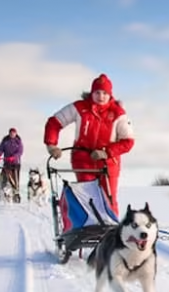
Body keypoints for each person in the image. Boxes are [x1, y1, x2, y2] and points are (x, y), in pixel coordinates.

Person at [43, 73, 134, 216]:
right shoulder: (79, 108)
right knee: (88, 198)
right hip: (83, 161)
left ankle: (112, 231)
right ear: (91, 93)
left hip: (108, 163)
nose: (101, 96)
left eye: (105, 93)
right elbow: (54, 123)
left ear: (110, 95)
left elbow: (128, 142)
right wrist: (51, 145)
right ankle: (89, 231)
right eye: (97, 92)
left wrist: (106, 152)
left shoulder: (118, 113)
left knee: (109, 200)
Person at [0, 127, 23, 201]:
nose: (12, 134)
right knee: (5, 176)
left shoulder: (18, 141)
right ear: (9, 133)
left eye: (14, 133)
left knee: (15, 178)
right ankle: (1, 190)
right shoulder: (5, 140)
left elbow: (20, 152)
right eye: (11, 133)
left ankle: (16, 192)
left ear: (16, 133)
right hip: (6, 163)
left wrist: (14, 157)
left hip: (15, 163)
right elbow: (0, 149)